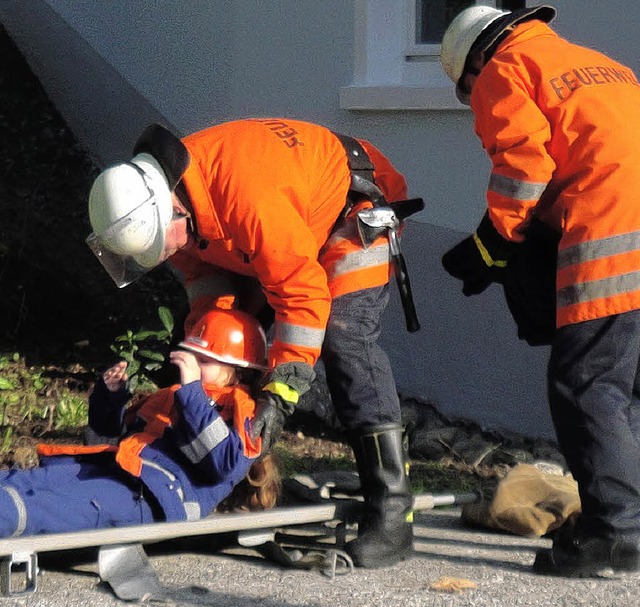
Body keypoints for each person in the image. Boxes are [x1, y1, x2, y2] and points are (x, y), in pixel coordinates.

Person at [85, 118, 422, 568]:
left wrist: (279, 395)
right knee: (236, 336)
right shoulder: (164, 204)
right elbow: (205, 277)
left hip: (355, 207)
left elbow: (302, 297)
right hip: (291, 223)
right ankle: (237, 477)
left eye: (161, 246)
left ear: (173, 211)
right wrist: (210, 348)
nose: (164, 256)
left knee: (345, 338)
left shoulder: (247, 203)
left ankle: (394, 514)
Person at [439, 4, 640, 577]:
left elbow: (525, 169)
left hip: (609, 238)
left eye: (466, 88)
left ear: (475, 61)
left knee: (586, 385)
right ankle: (627, 513)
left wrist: (490, 244)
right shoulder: (599, 63)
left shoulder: (506, 67)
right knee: (631, 386)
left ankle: (616, 534)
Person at [0, 306, 281, 537]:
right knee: (22, 480)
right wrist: (111, 399)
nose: (193, 365)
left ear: (239, 372)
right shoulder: (175, 395)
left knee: (37, 506)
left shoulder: (241, 409)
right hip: (116, 471)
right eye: (193, 355)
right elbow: (108, 442)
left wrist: (193, 393)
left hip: (154, 496)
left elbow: (224, 464)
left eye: (205, 360)